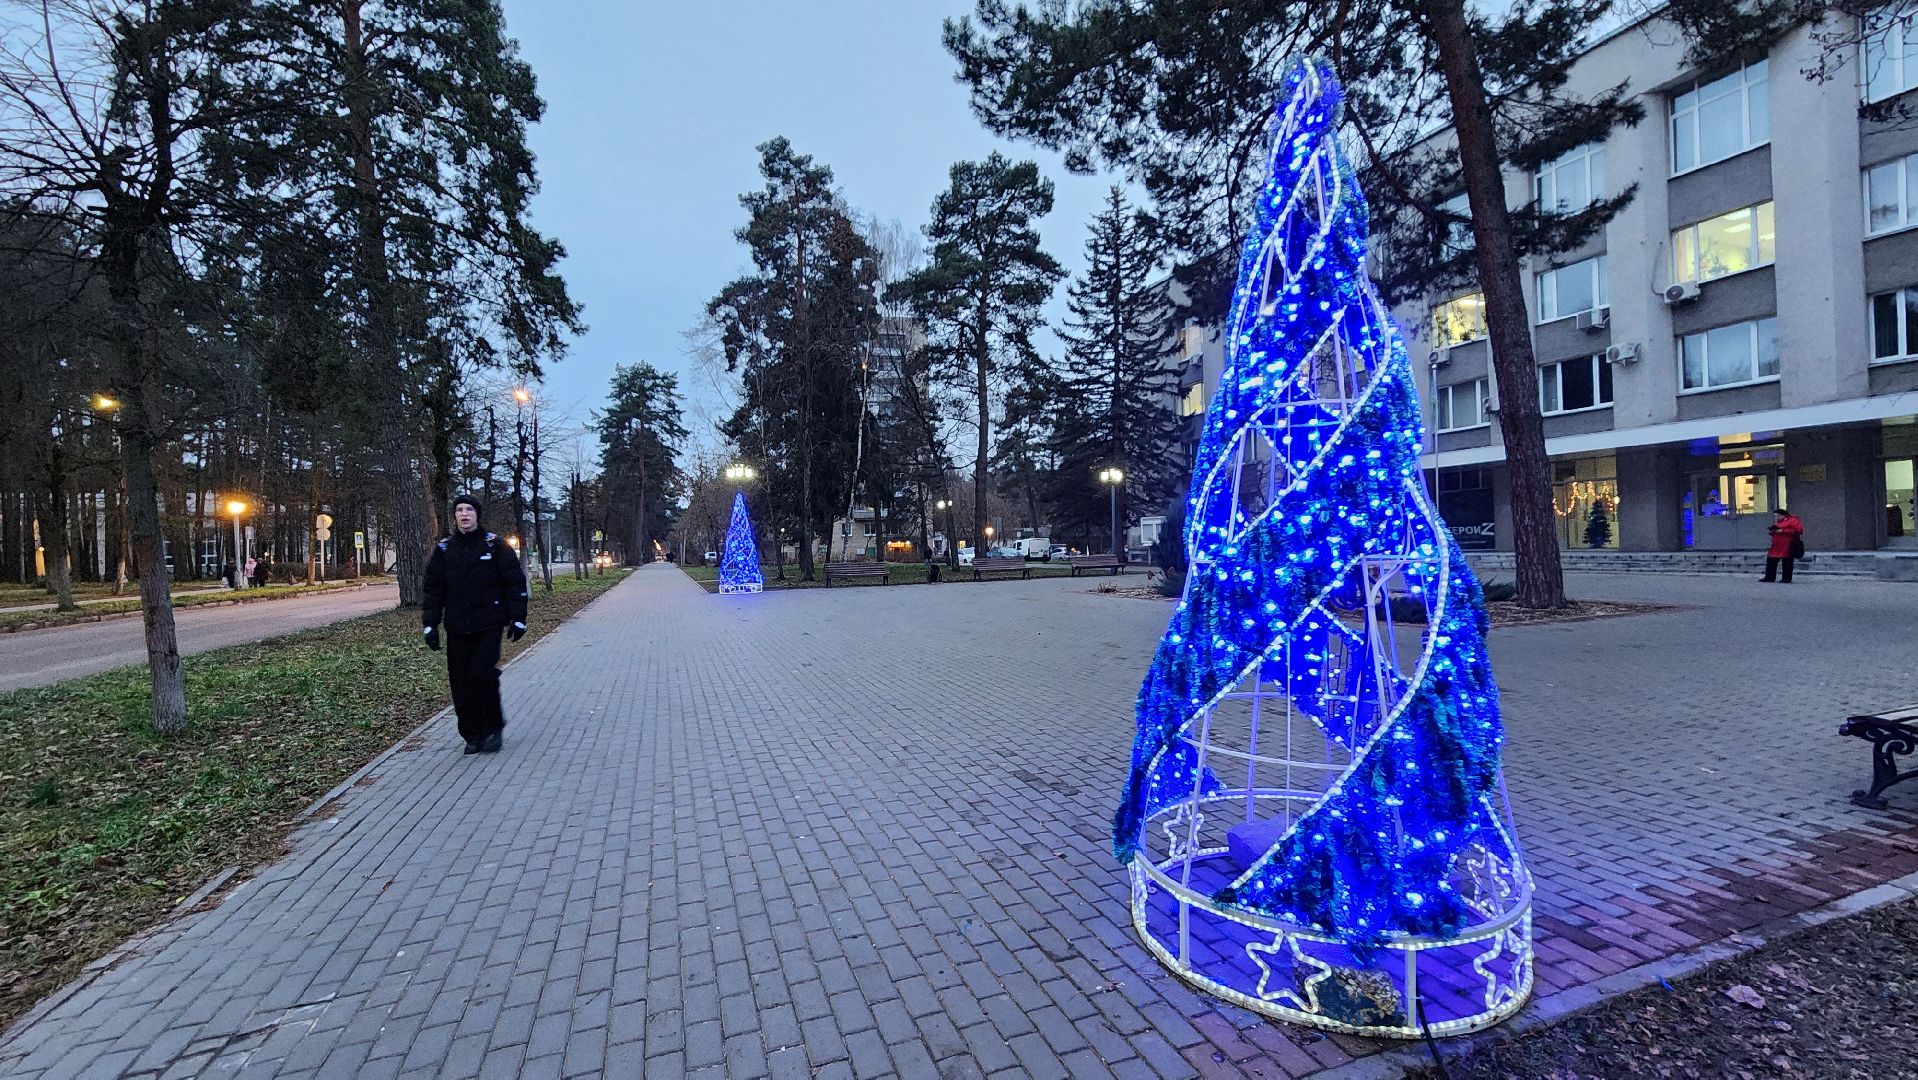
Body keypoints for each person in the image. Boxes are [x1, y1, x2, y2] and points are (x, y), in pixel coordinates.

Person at [422, 495, 529, 754]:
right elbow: (433, 589)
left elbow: (514, 582)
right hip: (457, 626)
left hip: (489, 623)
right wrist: (430, 625)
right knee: (461, 681)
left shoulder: (494, 546)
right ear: (455, 516)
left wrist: (518, 618)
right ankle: (472, 734)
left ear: (477, 514)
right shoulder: (445, 549)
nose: (464, 514)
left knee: (483, 674)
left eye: (469, 509)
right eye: (459, 510)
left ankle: (493, 728)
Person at [1762, 506, 1805, 584]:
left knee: (1787, 562)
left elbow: (1798, 531)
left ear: (1783, 515)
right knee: (1771, 560)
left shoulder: (1793, 520)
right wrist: (1773, 531)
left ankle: (1786, 578)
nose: (1777, 517)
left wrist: (1782, 531)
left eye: (1778, 515)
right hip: (1777, 545)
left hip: (1787, 545)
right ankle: (1769, 577)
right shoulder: (1780, 522)